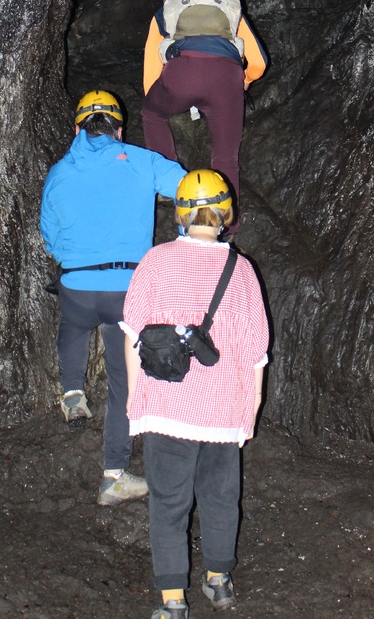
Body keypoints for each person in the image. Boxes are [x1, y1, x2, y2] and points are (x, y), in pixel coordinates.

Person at [121, 169, 269, 619]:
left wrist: (135, 400)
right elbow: (256, 352)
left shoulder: (156, 261)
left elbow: (133, 335)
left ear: (180, 214)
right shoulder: (241, 271)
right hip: (223, 412)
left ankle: (172, 601)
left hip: (167, 408)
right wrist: (250, 409)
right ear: (226, 213)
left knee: (169, 500)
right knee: (221, 495)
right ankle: (219, 581)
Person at [40, 89, 185, 506]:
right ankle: (113, 475)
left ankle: (72, 391)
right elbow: (190, 192)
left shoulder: (59, 173)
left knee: (73, 317)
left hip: (77, 288)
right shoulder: (142, 161)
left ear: (78, 128)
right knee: (123, 381)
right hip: (126, 291)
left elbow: (49, 234)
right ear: (119, 129)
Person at [141, 0, 267, 222]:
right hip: (226, 76)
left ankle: (168, 183)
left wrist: (160, 93)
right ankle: (226, 230)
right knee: (226, 156)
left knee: (151, 113)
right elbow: (260, 63)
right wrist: (243, 81)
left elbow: (150, 70)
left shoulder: (166, 11)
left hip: (182, 72)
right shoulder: (231, 9)